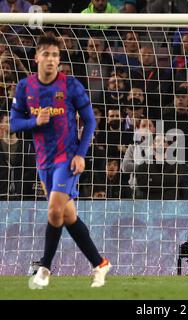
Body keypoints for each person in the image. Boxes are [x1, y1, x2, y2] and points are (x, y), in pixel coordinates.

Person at [10, 34, 111, 288]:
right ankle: (100, 264)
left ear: (59, 59)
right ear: (36, 58)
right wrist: (35, 122)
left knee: (54, 211)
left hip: (67, 159)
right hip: (43, 161)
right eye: (46, 54)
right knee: (66, 216)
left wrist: (81, 154)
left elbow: (90, 121)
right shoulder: (25, 87)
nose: (51, 60)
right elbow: (13, 123)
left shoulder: (71, 85)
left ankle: (44, 269)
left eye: (55, 55)